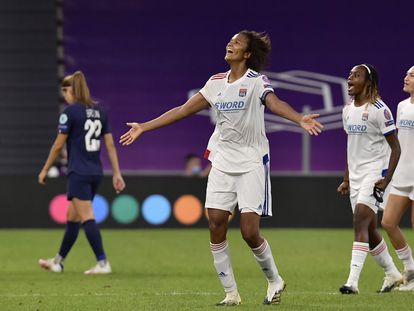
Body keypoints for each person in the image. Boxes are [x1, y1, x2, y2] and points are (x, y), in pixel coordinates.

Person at [120, 30, 322, 305]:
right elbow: (182, 110)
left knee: (250, 232)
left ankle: (274, 280)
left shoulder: (256, 81)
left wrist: (299, 119)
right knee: (216, 223)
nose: (230, 44)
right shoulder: (215, 83)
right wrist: (144, 126)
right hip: (222, 161)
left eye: (237, 43)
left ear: (247, 54)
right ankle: (231, 293)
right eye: (230, 41)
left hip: (252, 161)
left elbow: (275, 103)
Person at [38, 71, 126, 274]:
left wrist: (44, 169)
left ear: (74, 89)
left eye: (65, 89)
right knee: (73, 217)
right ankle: (58, 262)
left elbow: (59, 144)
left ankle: (103, 263)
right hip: (95, 172)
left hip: (78, 172)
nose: (64, 94)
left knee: (86, 217)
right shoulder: (100, 111)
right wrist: (116, 173)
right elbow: (110, 145)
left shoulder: (69, 113)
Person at [337, 64, 403, 294]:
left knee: (359, 221)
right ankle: (392, 273)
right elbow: (350, 147)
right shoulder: (347, 110)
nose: (350, 78)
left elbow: (396, 148)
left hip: (375, 174)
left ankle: (352, 282)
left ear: (368, 82)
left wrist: (387, 180)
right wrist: (346, 179)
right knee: (370, 229)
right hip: (355, 177)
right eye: (349, 75)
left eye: (355, 75)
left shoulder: (379, 109)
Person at [381, 65, 414, 291]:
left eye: (411, 75)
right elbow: (397, 144)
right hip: (402, 174)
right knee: (388, 222)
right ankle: (410, 270)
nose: (406, 78)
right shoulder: (402, 106)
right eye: (406, 74)